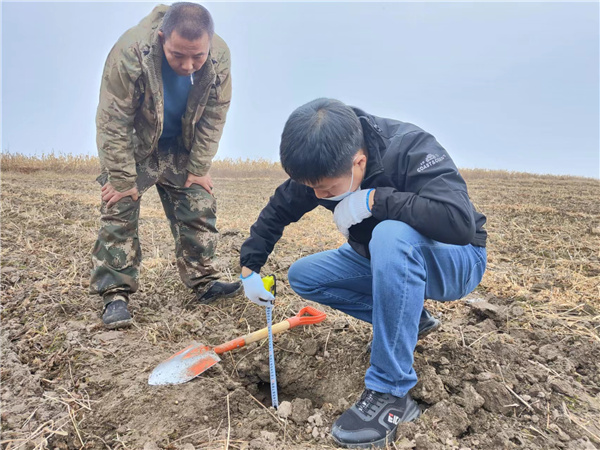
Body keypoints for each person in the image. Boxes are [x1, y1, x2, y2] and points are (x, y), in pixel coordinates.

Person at [239, 98, 487, 448]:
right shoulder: (322, 165)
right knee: (305, 275)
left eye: (327, 189)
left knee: (389, 232)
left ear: (359, 162)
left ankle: (391, 392)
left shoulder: (410, 147)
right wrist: (250, 267)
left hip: (457, 259)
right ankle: (411, 320)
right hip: (381, 257)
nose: (319, 196)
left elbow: (459, 223)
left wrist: (375, 201)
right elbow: (278, 211)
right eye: (313, 189)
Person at [91, 2, 241, 329]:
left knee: (199, 204)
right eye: (178, 55)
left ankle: (204, 280)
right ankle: (115, 294)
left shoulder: (220, 56)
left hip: (179, 143)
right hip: (134, 142)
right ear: (161, 38)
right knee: (120, 206)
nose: (188, 65)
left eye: (197, 56)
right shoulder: (130, 52)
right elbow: (112, 120)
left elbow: (215, 115)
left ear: (209, 44)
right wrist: (121, 177)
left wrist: (199, 167)